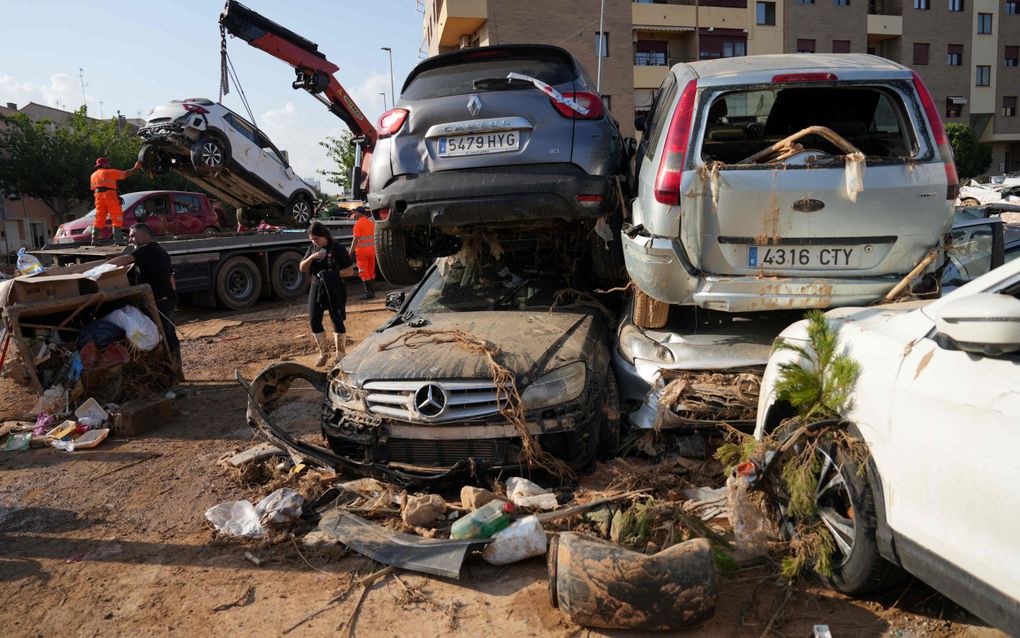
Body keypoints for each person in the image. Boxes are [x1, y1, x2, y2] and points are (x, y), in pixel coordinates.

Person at [107, 223, 181, 370]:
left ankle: (174, 370)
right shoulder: (160, 251)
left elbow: (125, 260)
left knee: (165, 336)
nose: (130, 240)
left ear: (144, 234)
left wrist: (101, 267)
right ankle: (173, 368)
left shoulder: (147, 250)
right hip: (165, 300)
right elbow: (171, 278)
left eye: (133, 235)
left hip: (160, 302)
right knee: (166, 335)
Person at [300, 222, 355, 366]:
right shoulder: (313, 248)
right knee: (313, 319)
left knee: (336, 319)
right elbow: (302, 268)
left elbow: (350, 271)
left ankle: (340, 355)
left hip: (334, 287)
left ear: (325, 236)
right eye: (311, 239)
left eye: (316, 239)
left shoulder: (337, 248)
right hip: (317, 287)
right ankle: (324, 353)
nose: (314, 242)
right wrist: (312, 257)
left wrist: (332, 274)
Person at [90, 157, 142, 245]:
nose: (109, 164)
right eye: (108, 163)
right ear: (104, 164)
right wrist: (136, 168)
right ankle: (118, 241)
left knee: (100, 218)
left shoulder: (93, 175)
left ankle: (94, 240)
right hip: (109, 195)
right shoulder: (109, 172)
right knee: (116, 216)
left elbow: (93, 188)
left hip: (98, 196)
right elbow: (126, 174)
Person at [350, 206, 377, 299]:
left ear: (359, 213)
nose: (355, 214)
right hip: (372, 251)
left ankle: (369, 293)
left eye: (356, 212)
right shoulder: (371, 223)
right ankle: (373, 291)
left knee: (363, 272)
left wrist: (351, 251)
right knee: (371, 271)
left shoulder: (357, 224)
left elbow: (355, 239)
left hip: (362, 253)